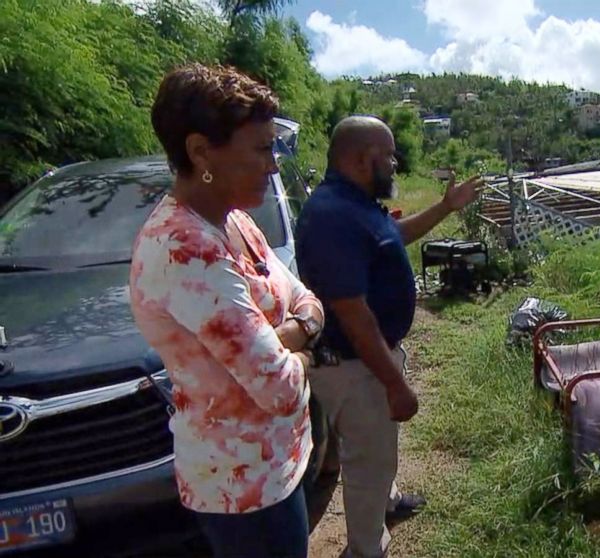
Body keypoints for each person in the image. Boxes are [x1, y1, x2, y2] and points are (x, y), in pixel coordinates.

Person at [129, 63, 325, 558]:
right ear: (200, 152)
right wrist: (305, 352)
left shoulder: (235, 222)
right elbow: (280, 389)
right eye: (261, 149)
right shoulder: (184, 248)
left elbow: (307, 299)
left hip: (277, 464)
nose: (274, 165)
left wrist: (289, 333)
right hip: (241, 492)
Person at [296, 116, 483, 558]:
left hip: (364, 361)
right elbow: (353, 314)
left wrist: (445, 207)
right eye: (390, 155)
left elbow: (393, 237)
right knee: (368, 462)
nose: (395, 164)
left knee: (377, 447)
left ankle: (389, 502)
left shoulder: (353, 204)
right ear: (365, 159)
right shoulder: (333, 216)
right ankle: (365, 549)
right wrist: (395, 384)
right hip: (355, 364)